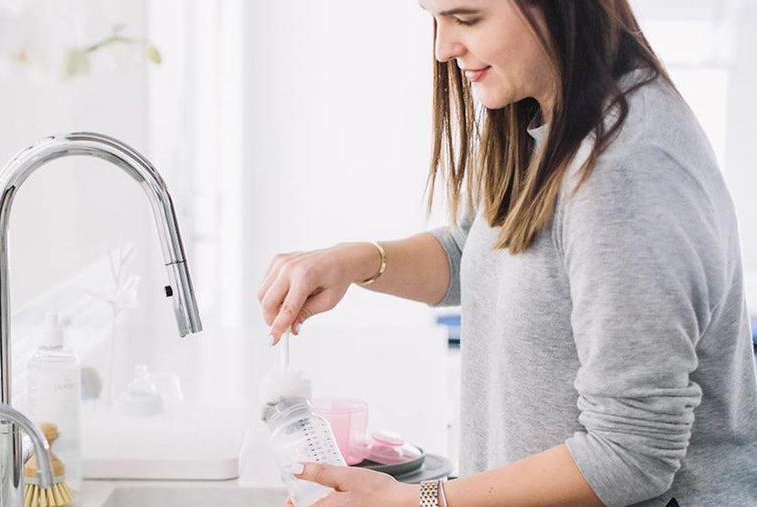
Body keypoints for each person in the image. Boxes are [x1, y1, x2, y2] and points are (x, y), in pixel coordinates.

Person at [256, 0, 757, 506]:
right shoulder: (544, 116)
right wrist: (354, 260)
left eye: (466, 19)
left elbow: (631, 453)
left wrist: (414, 502)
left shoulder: (627, 166)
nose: (443, 48)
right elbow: (475, 252)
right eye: (434, 18)